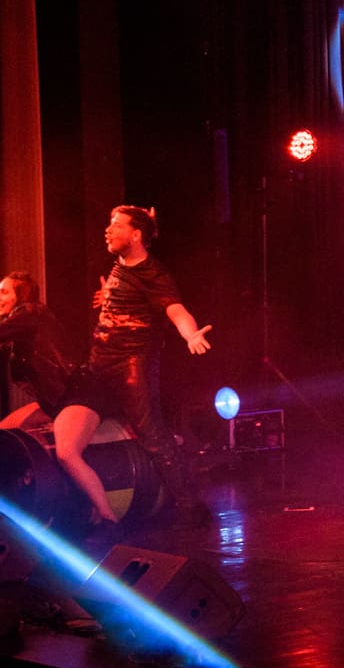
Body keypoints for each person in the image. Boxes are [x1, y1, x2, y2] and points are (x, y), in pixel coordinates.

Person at [73, 207, 215, 522]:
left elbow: (176, 310)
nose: (108, 230)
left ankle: (191, 507)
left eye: (116, 225)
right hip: (99, 360)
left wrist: (190, 334)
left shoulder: (154, 274)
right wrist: (109, 296)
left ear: (135, 235)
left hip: (131, 365)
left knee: (152, 434)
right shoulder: (120, 265)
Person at [0, 270, 117, 524]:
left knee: (67, 453)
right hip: (55, 401)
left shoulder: (31, 312)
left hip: (79, 392)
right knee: (5, 432)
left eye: (4, 292)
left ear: (21, 295)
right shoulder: (19, 328)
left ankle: (107, 516)